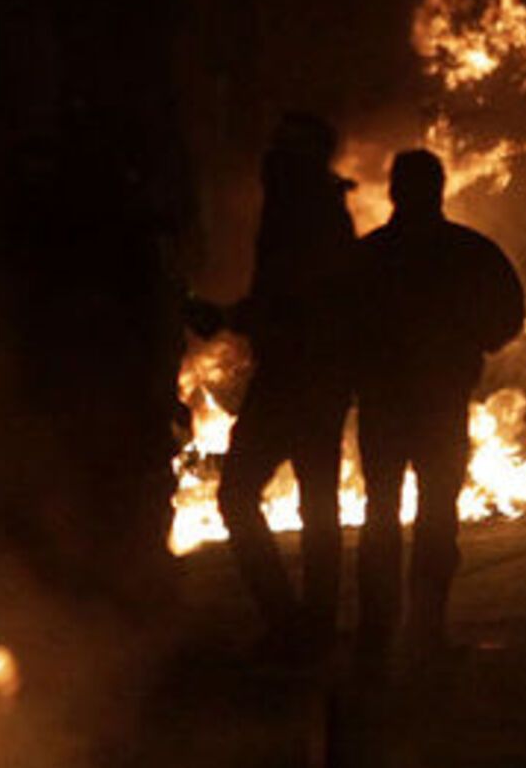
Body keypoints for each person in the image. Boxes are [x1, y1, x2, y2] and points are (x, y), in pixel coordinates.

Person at [185, 113, 356, 658]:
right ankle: (310, 625)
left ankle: (294, 625)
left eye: (280, 150)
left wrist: (231, 318)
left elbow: (296, 298)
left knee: (240, 493)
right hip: (313, 375)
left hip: (298, 376)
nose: (268, 160)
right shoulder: (312, 207)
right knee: (317, 501)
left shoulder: (303, 211)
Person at [352, 149, 524, 655]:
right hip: (437, 402)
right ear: (439, 190)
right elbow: (508, 313)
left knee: (381, 513)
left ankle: (377, 631)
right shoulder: (467, 251)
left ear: (394, 192)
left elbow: (340, 325)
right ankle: (424, 629)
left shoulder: (372, 254)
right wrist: (472, 346)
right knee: (435, 514)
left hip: (387, 402)